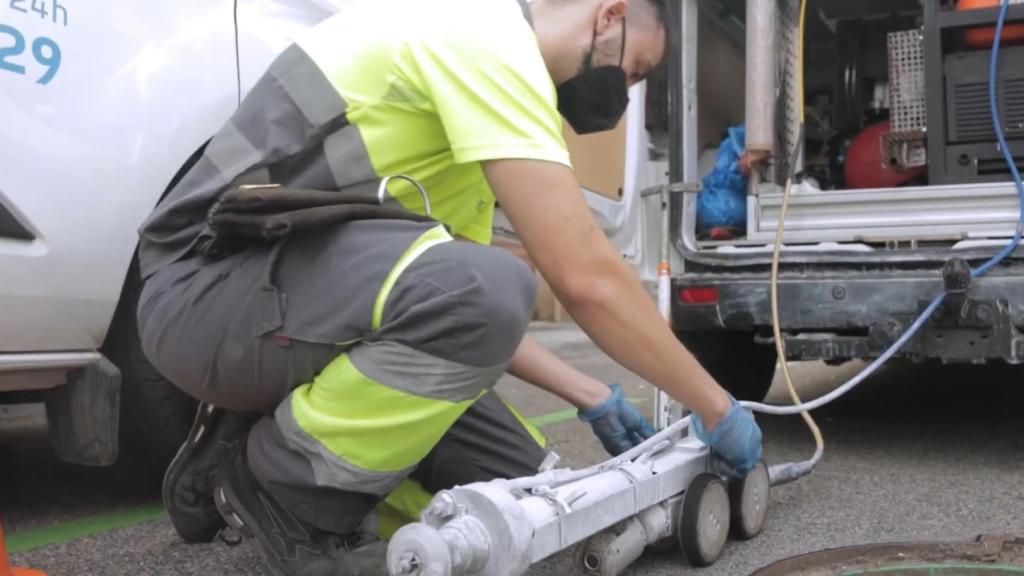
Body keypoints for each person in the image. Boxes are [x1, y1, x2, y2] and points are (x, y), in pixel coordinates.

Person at [136, 0, 764, 573]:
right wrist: (715, 405)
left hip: (277, 301)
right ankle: (277, 485)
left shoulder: (480, 106)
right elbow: (582, 276)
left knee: (532, 493)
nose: (622, 96)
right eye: (632, 71)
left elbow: (455, 310)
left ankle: (258, 451)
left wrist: (590, 392)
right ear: (609, 16)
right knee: (495, 288)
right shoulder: (483, 35)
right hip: (201, 289)